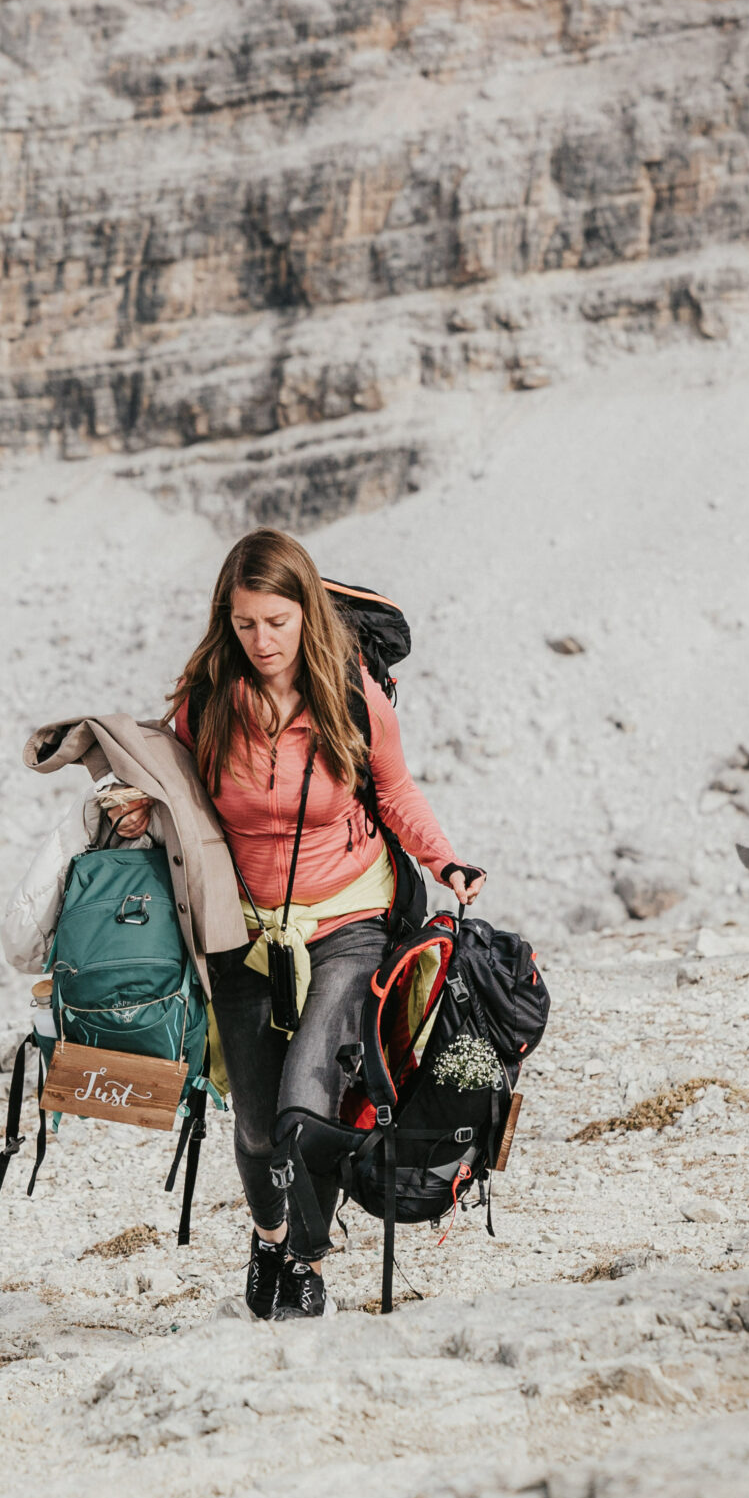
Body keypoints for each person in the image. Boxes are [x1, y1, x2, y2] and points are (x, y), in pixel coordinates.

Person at [169, 527, 484, 1322]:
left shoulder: (348, 692)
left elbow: (396, 790)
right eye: (244, 624)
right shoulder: (204, 698)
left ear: (305, 613)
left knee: (304, 1113)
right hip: (242, 933)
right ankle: (273, 1235)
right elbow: (175, 795)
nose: (261, 640)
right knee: (252, 1128)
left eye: (276, 622)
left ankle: (306, 1260)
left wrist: (445, 862)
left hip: (349, 918)